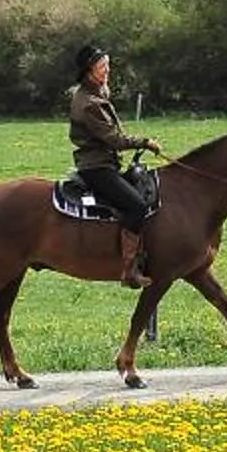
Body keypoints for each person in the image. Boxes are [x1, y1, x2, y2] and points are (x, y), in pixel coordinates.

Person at [66, 43, 162, 287]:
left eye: (108, 65)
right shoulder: (89, 103)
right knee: (137, 206)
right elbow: (114, 139)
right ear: (89, 71)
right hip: (96, 168)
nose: (108, 70)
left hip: (103, 164)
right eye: (102, 66)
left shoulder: (95, 94)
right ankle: (129, 270)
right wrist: (145, 142)